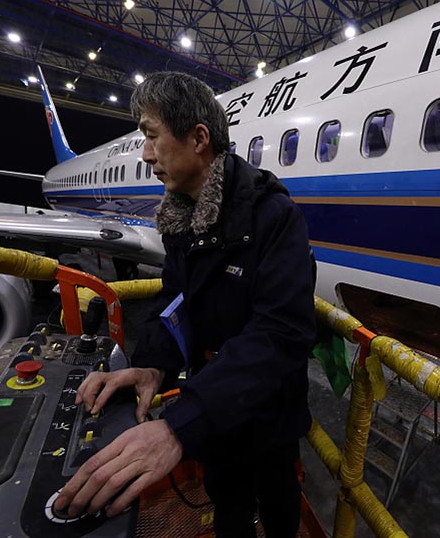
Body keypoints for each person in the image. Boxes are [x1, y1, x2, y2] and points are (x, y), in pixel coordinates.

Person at [54, 72, 316, 538]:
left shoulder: (275, 217)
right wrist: (153, 366)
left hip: (267, 416)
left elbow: (281, 335)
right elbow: (175, 299)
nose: (146, 155)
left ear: (198, 139)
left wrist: (180, 426)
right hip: (215, 411)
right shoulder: (182, 215)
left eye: (152, 136)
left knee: (279, 511)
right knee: (228, 510)